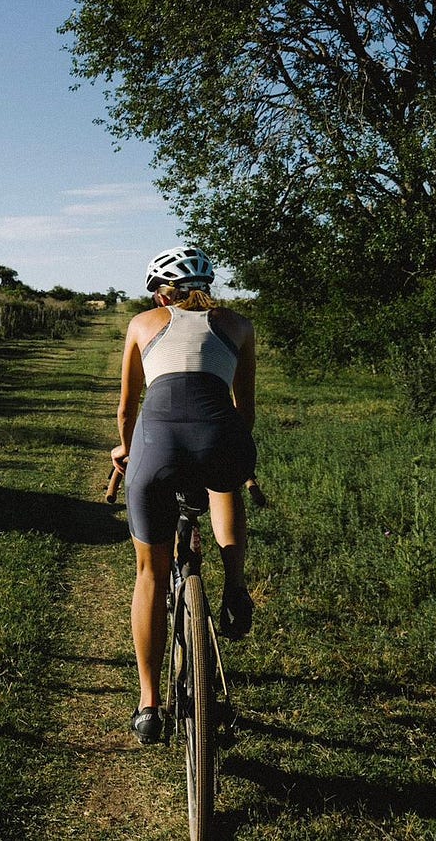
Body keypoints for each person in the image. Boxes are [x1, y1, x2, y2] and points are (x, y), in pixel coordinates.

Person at [111, 246, 258, 745]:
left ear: (159, 290)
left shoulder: (142, 323)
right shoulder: (239, 325)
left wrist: (126, 451)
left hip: (157, 446)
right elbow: (245, 408)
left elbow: (128, 407)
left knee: (150, 572)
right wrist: (240, 461)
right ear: (209, 286)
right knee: (224, 484)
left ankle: (149, 703)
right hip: (225, 441)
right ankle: (235, 585)